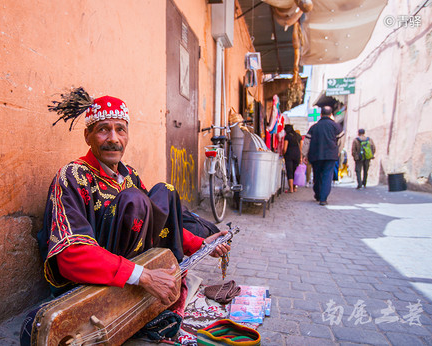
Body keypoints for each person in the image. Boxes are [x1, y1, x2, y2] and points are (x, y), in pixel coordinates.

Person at [20, 88, 230, 344]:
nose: (113, 138)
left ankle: (164, 293)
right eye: (103, 129)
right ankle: (147, 296)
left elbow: (156, 221)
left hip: (132, 269)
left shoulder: (128, 175)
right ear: (87, 136)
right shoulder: (72, 177)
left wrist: (200, 244)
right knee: (135, 200)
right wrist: (142, 275)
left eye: (120, 129)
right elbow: (69, 256)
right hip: (96, 280)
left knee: (166, 192)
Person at [302, 106, 344, 205]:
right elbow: (341, 141)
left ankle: (318, 194)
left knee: (317, 175)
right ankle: (323, 198)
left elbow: (306, 142)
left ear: (321, 114)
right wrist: (338, 150)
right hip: (331, 155)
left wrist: (305, 155)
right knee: (327, 176)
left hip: (315, 155)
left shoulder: (314, 127)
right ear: (331, 115)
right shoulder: (337, 127)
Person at [282, 124, 302, 193]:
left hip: (289, 155)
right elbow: (301, 148)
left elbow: (285, 148)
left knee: (289, 171)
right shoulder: (298, 136)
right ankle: (295, 187)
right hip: (297, 155)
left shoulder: (287, 136)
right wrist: (301, 157)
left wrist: (283, 154)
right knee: (295, 171)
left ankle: (291, 189)